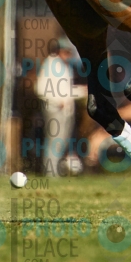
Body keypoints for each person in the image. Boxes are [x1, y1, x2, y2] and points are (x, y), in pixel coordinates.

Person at [36, 38, 79, 176]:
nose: (68, 55)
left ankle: (55, 172)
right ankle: (51, 173)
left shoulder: (65, 65)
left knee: (62, 142)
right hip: (55, 110)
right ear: (58, 51)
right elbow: (40, 88)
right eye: (66, 52)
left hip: (66, 111)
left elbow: (66, 90)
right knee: (54, 141)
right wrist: (57, 101)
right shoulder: (50, 64)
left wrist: (82, 91)